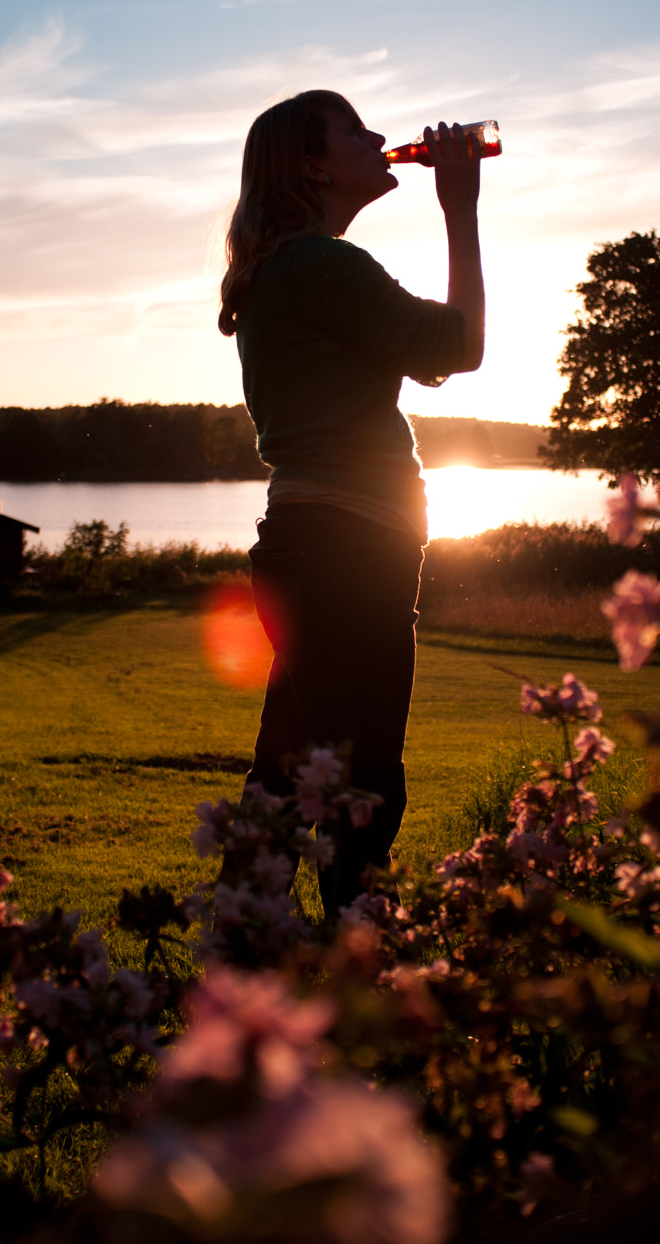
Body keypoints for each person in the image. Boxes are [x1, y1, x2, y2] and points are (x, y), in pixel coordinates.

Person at [218, 90, 486, 916]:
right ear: (312, 165)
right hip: (345, 552)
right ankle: (356, 969)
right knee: (360, 784)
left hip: (312, 547)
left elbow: (425, 351)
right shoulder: (320, 266)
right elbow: (460, 347)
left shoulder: (289, 272)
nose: (380, 138)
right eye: (353, 130)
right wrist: (461, 207)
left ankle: (241, 944)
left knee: (290, 773)